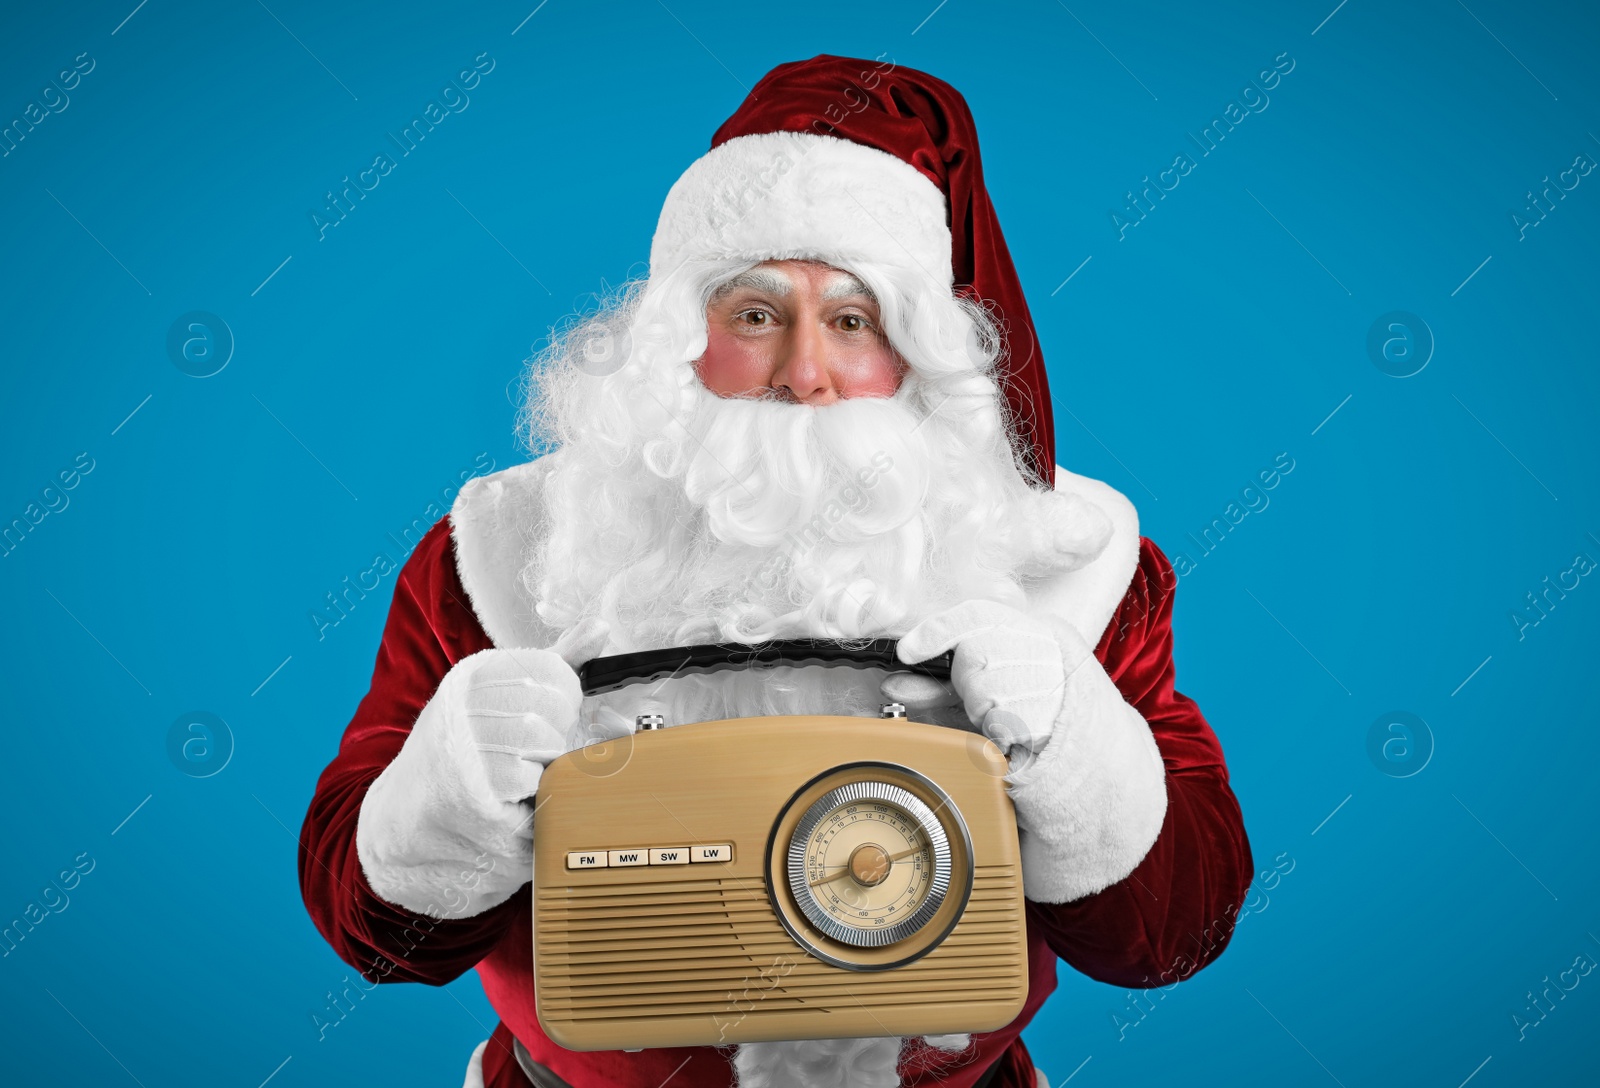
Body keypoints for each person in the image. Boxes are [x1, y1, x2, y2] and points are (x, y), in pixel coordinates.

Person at [300, 55, 1253, 1088]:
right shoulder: (498, 550)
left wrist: (1073, 743)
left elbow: (1174, 935)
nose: (805, 376)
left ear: (919, 350)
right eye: (755, 315)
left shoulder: (1064, 557)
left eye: (852, 321)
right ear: (679, 334)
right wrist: (449, 785)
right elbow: (378, 941)